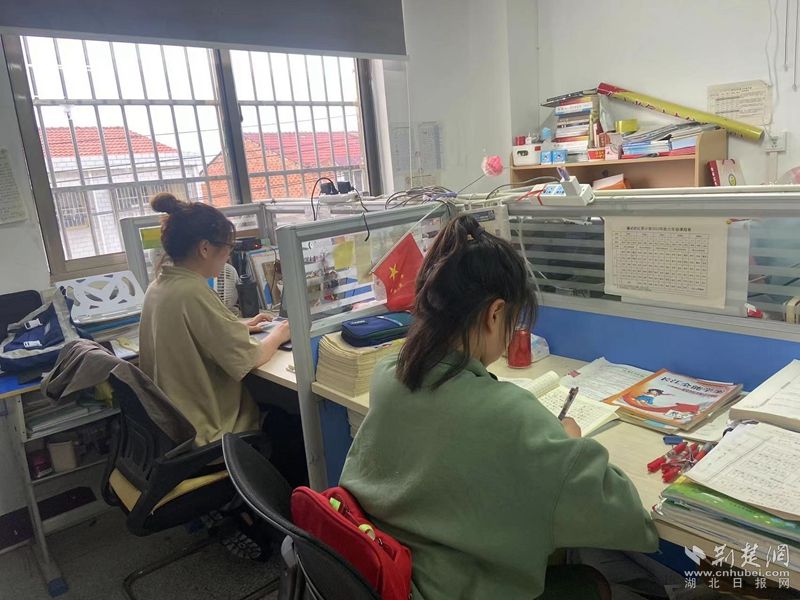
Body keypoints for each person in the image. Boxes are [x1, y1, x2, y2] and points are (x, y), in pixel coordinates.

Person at [339, 214, 659, 599]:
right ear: (494, 313)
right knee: (592, 583)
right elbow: (628, 519)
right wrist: (571, 445)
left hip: (383, 572)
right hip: (447, 588)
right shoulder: (510, 416)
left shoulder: (389, 374)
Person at [139, 192, 292, 560]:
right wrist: (279, 333)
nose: (228, 259)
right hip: (207, 429)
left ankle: (244, 509)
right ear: (205, 248)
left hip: (175, 422)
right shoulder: (192, 291)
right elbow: (249, 360)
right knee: (291, 425)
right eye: (227, 250)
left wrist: (242, 325)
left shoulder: (162, 284)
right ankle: (273, 523)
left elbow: (199, 330)